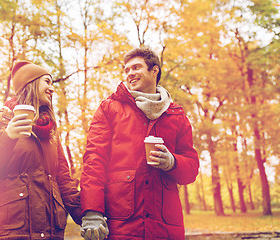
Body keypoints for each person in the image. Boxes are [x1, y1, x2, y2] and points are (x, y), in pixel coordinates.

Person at [80, 47, 200, 240]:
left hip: (166, 226)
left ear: (154, 71)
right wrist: (92, 211)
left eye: (136, 67)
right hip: (121, 223)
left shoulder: (176, 115)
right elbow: (94, 160)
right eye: (126, 70)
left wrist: (172, 162)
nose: (130, 74)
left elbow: (191, 169)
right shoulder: (109, 108)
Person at [0, 60, 82, 240]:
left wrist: (86, 216)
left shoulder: (51, 131)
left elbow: (64, 181)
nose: (52, 88)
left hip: (50, 233)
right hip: (9, 232)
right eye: (47, 81)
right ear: (29, 84)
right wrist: (7, 137)